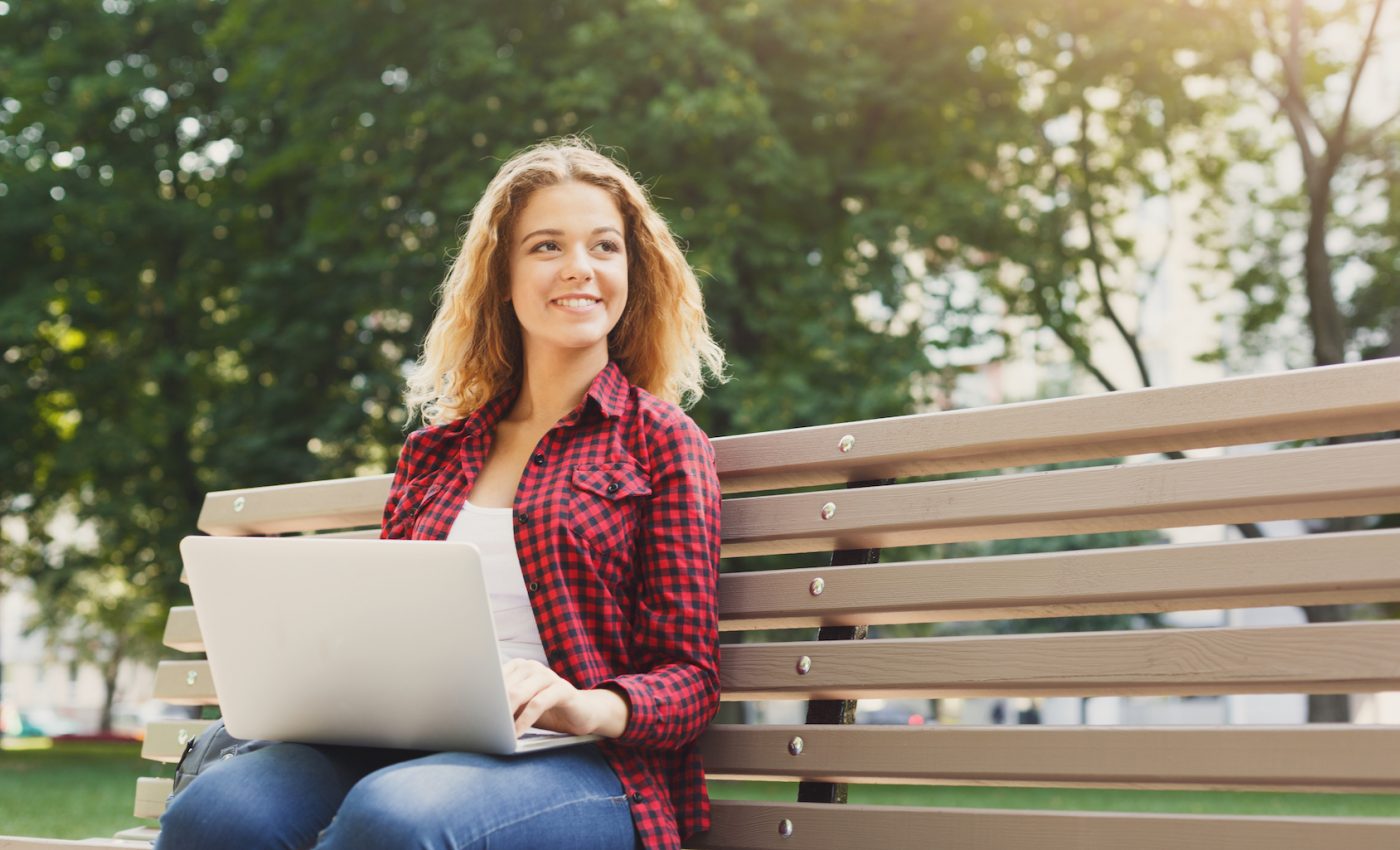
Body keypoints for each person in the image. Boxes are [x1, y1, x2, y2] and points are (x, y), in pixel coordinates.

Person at [156, 137, 727, 850]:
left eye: (604, 247)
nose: (580, 268)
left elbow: (691, 679)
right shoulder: (437, 454)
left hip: (584, 767)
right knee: (218, 812)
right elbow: (387, 631)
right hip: (402, 747)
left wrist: (586, 706)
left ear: (632, 272)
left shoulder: (660, 441)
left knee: (397, 817)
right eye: (547, 246)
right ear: (505, 276)